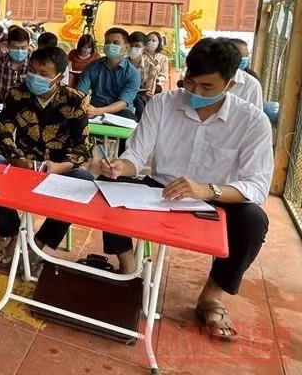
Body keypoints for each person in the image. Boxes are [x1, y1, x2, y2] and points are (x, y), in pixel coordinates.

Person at [90, 38, 272, 342]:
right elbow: (136, 155)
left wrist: (206, 190)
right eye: (190, 82)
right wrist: (121, 166)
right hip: (160, 189)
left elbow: (256, 185)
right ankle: (128, 267)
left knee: (254, 220)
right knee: (110, 183)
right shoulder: (163, 103)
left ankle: (212, 296)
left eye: (207, 87)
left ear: (229, 85)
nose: (195, 92)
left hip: (216, 198)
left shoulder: (252, 121)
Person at [0, 46, 94, 270]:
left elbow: (83, 148)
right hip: (22, 162)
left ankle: (41, 243)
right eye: (32, 71)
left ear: (59, 77)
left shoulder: (75, 100)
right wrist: (19, 160)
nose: (35, 78)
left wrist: (60, 166)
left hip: (57, 167)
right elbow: (4, 135)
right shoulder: (16, 94)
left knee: (84, 179)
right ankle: (13, 235)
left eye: (43, 74)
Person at [77, 27, 140, 122]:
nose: (110, 45)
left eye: (115, 43)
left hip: (120, 113)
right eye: (107, 42)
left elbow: (123, 103)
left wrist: (99, 111)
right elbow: (80, 92)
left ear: (126, 47)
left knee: (128, 117)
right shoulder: (92, 67)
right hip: (93, 109)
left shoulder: (133, 73)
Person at [222, 38, 262, 109]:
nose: (243, 59)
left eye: (246, 56)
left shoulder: (253, 84)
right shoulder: (210, 76)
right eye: (240, 56)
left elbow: (257, 116)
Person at [127, 31, 159, 121]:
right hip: (123, 95)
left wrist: (138, 92)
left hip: (140, 98)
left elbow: (148, 91)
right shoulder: (122, 64)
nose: (133, 48)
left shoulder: (151, 67)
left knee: (139, 100)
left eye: (137, 46)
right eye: (131, 45)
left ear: (144, 49)